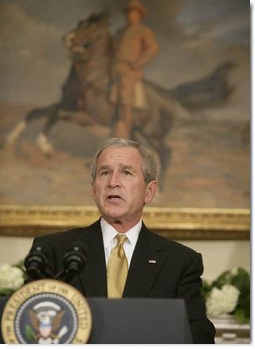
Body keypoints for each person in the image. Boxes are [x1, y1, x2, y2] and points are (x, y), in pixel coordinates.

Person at [25, 137, 215, 343]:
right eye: (104, 173)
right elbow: (24, 324)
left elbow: (200, 338)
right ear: (94, 190)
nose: (113, 182)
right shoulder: (55, 250)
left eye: (126, 172)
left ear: (149, 192)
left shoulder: (180, 262)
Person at [110, 0, 159, 138]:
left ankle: (125, 134)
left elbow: (153, 49)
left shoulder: (144, 31)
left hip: (130, 70)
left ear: (139, 15)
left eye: (133, 12)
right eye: (128, 12)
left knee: (125, 102)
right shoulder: (119, 32)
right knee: (111, 99)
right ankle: (114, 131)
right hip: (115, 69)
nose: (130, 15)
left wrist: (138, 63)